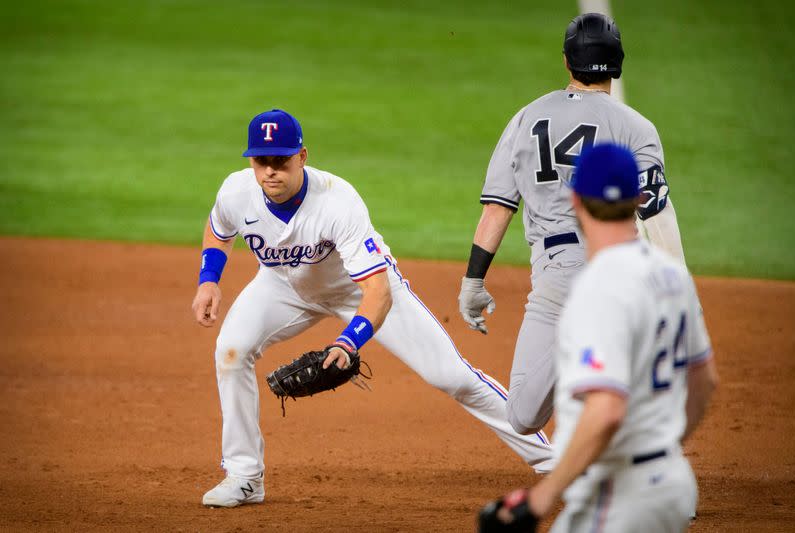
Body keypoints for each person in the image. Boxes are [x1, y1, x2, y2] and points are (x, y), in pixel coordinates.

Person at [191, 108, 552, 508]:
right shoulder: (236, 191)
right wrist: (209, 280)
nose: (270, 171)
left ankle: (555, 460)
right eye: (261, 161)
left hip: (355, 288)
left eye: (281, 161)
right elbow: (218, 228)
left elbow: (377, 292)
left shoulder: (337, 201)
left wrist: (348, 343)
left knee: (451, 376)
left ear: (303, 156)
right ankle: (244, 476)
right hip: (282, 286)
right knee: (231, 351)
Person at [458, 12, 687, 438]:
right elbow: (654, 211)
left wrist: (473, 280)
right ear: (618, 64)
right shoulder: (637, 127)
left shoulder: (527, 117)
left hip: (560, 271)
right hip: (614, 271)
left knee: (524, 417)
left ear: (567, 61)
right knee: (526, 415)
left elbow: (497, 208)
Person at [477, 143, 718, 532]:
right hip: (672, 485)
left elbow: (605, 409)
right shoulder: (673, 276)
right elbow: (705, 381)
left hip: (617, 496)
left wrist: (541, 498)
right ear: (638, 199)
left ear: (576, 200)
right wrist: (660, 447)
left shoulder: (595, 289)